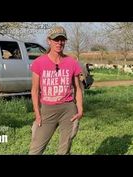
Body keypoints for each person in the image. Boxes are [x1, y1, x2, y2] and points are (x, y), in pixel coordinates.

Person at [29, 26, 83, 155]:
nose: (59, 43)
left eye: (62, 39)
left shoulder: (71, 62)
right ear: (49, 41)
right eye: (56, 39)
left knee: (64, 150)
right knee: (35, 150)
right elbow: (35, 91)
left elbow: (78, 88)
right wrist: (37, 114)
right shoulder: (39, 62)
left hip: (68, 110)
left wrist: (80, 109)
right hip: (47, 110)